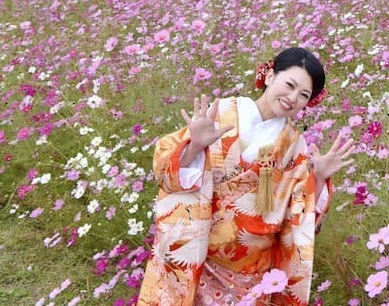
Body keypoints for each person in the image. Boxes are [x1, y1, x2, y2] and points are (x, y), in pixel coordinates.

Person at [138, 46, 354, 306]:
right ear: (271, 76)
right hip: (197, 257)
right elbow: (166, 171)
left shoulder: (295, 147)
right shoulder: (221, 113)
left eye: (303, 95)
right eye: (290, 84)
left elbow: (299, 210)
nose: (292, 97)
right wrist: (194, 145)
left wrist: (318, 177)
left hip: (251, 276)